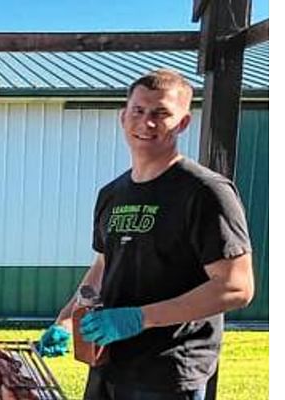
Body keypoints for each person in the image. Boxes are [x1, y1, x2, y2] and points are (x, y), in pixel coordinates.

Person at [36, 70, 255, 399]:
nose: (146, 122)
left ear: (182, 123)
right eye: (138, 111)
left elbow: (237, 287)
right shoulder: (112, 193)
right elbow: (104, 266)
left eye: (161, 113)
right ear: (123, 117)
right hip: (109, 362)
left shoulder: (205, 191)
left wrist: (140, 318)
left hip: (168, 373)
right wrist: (66, 322)